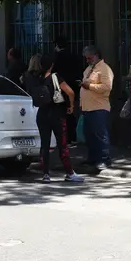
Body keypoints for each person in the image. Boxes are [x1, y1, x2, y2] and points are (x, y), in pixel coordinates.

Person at [23, 54, 83, 183]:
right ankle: (70, 173)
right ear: (51, 65)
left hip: (42, 114)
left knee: (44, 145)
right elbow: (70, 92)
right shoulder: (55, 77)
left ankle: (45, 174)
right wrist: (71, 106)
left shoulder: (34, 78)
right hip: (57, 114)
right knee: (62, 145)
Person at [80, 45, 114, 170]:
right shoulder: (89, 69)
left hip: (99, 107)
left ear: (96, 55)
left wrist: (89, 86)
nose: (87, 60)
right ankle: (93, 158)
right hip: (87, 108)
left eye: (89, 58)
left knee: (100, 135)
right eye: (86, 58)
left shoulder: (104, 69)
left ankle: (104, 159)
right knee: (89, 135)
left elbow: (107, 87)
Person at [53, 37, 83, 145]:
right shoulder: (74, 56)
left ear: (57, 46)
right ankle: (73, 137)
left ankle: (65, 138)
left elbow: (55, 73)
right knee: (71, 113)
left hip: (61, 88)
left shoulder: (57, 57)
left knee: (62, 115)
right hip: (74, 87)